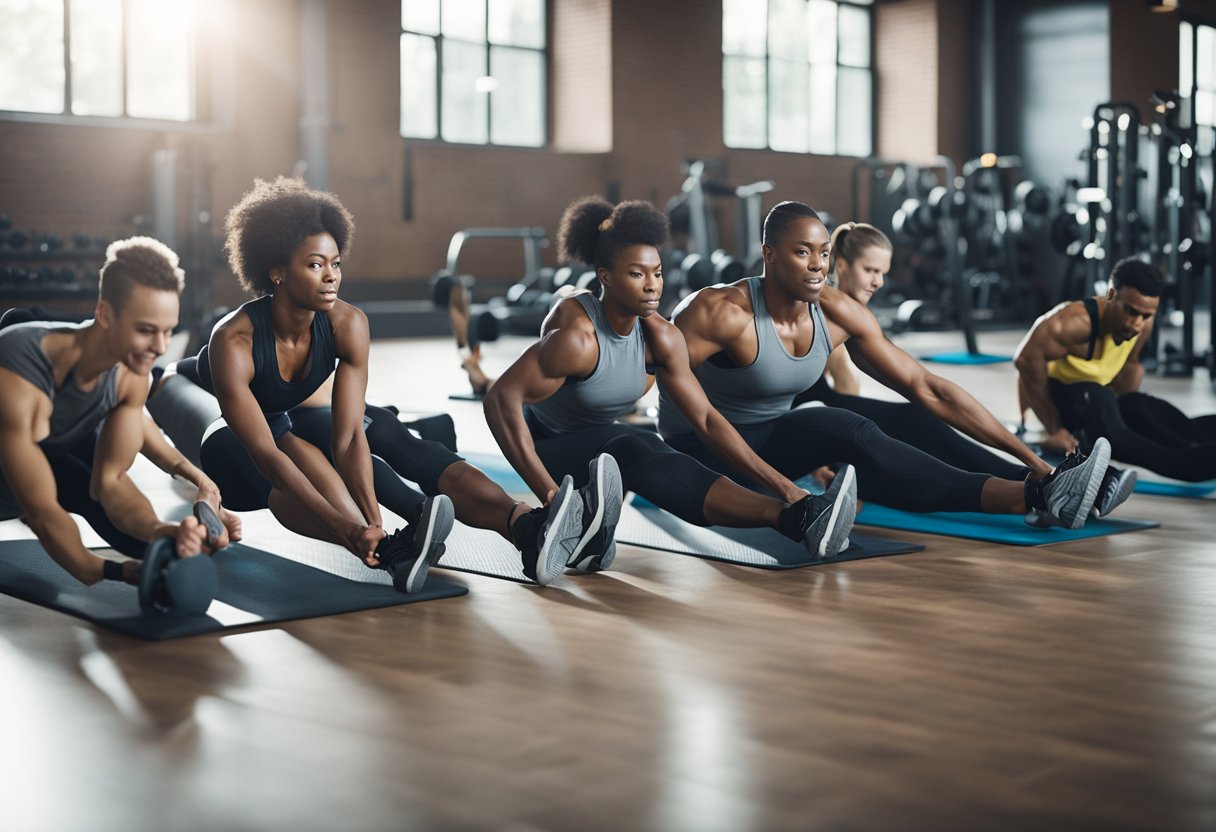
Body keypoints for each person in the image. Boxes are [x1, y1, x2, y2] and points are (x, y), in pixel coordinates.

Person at [147, 177, 607, 590]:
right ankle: (386, 550)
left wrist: (371, 515)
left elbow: (349, 438)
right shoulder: (235, 339)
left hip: (283, 413)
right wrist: (354, 531)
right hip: (190, 397)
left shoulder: (347, 323)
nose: (331, 275)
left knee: (375, 429)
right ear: (276, 270)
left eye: (336, 262)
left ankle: (519, 528)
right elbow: (269, 455)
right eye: (314, 265)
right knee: (296, 457)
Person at [658, 201, 1112, 530]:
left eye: (821, 252)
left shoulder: (837, 313)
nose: (817, 266)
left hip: (768, 436)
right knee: (842, 427)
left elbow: (927, 386)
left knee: (850, 428)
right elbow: (669, 390)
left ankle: (1040, 491)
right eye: (802, 253)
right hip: (700, 449)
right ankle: (1037, 492)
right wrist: (788, 492)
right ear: (769, 255)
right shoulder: (720, 312)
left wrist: (1039, 463)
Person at [484, 197, 859, 563]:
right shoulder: (576, 338)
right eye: (636, 274)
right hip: (545, 449)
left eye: (657, 272)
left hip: (600, 455)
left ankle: (800, 515)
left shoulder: (662, 338)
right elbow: (500, 400)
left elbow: (707, 419)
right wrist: (551, 497)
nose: (652, 285)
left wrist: (787, 488)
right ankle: (796, 520)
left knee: (646, 448)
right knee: (634, 444)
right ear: (606, 277)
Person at [793, 221, 1135, 517]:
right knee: (898, 455)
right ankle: (1044, 489)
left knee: (921, 420)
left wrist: (1037, 462)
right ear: (840, 264)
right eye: (870, 271)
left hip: (824, 413)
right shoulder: (815, 303)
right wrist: (818, 467)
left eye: (883, 272)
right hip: (794, 428)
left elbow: (924, 388)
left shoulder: (851, 317)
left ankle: (1054, 481)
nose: (879, 282)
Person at [0, 238, 221, 602]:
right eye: (146, 330)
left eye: (168, 331)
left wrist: (159, 531)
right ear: (104, 314)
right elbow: (41, 512)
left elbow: (110, 483)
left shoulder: (131, 378)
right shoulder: (20, 366)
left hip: (30, 475)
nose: (161, 347)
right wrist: (109, 571)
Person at [1014, 257, 1216, 482]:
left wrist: (1125, 413)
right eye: (1131, 311)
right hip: (1064, 401)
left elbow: (1130, 365)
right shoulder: (1073, 322)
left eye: (1146, 315)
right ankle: (1190, 462)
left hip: (1101, 398)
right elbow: (1025, 359)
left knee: (1142, 408)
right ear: (1110, 295)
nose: (1137, 324)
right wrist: (1055, 428)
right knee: (1111, 420)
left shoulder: (1143, 323)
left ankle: (1198, 445)